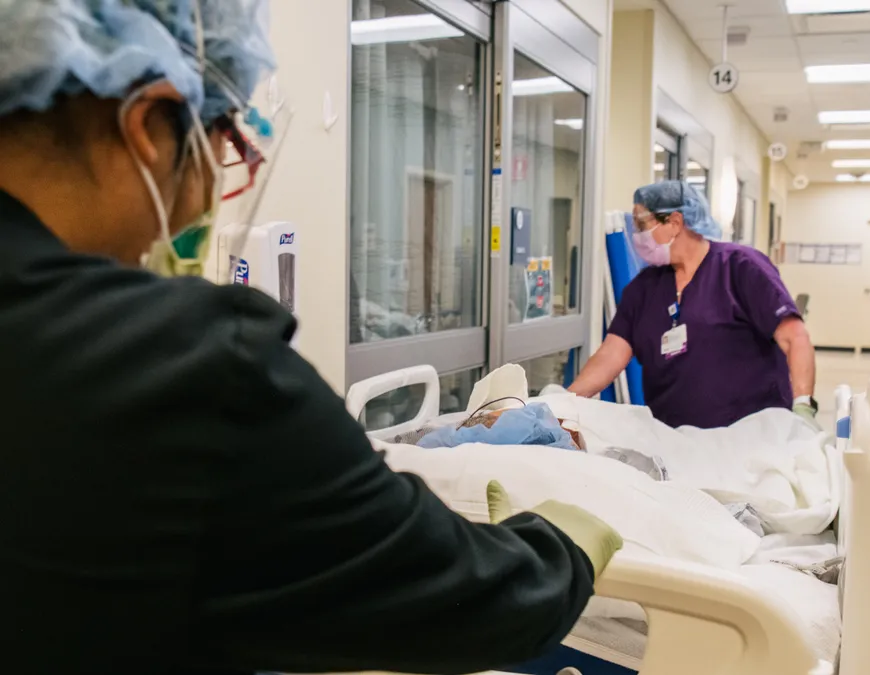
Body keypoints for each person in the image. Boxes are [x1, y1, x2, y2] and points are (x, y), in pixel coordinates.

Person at [0, 2, 620, 674]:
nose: (203, 202)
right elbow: (468, 598)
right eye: (226, 148)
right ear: (149, 125)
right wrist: (563, 542)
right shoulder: (187, 365)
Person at [569, 180, 817, 429]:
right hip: (676, 438)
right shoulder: (644, 288)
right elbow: (611, 354)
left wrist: (803, 406)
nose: (636, 236)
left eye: (642, 224)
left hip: (750, 434)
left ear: (675, 223)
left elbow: (794, 337)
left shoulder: (741, 268)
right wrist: (566, 402)